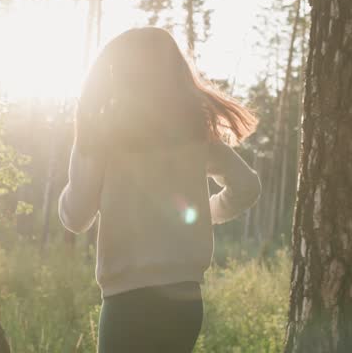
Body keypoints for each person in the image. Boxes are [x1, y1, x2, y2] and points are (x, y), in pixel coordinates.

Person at [58, 27, 261, 353]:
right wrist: (207, 213)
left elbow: (76, 216)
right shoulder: (195, 136)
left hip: (128, 302)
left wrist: (72, 181)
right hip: (185, 302)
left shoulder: (102, 137)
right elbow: (247, 186)